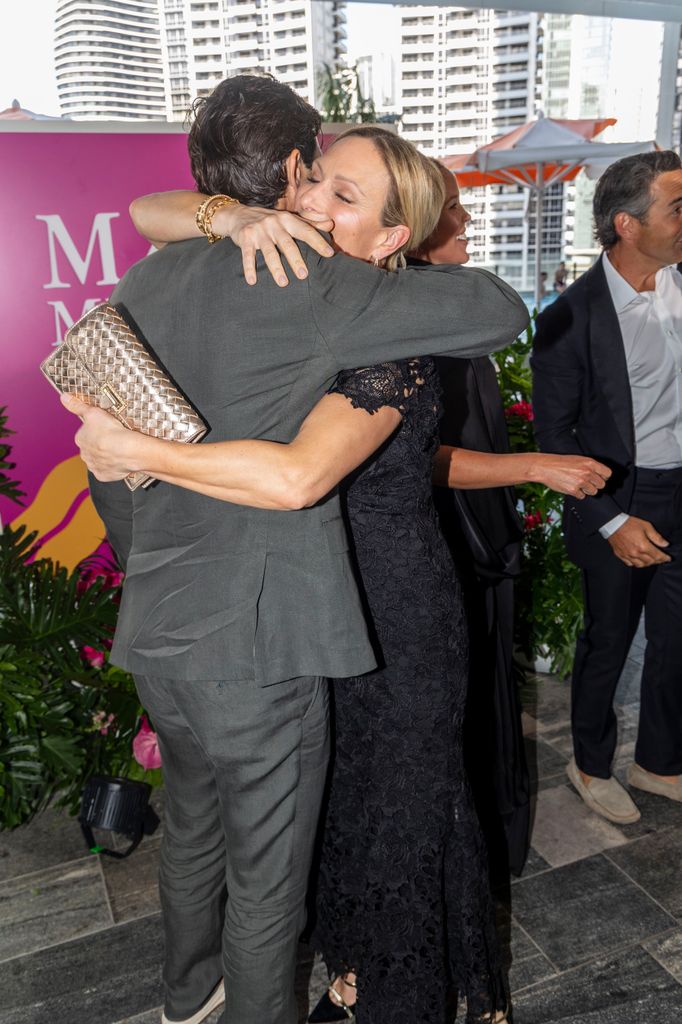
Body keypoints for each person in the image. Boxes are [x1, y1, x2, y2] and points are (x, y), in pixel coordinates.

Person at [69, 139, 607, 1024]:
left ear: (395, 237)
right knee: (339, 817)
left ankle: (397, 990)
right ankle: (355, 968)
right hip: (307, 607)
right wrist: (229, 213)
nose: (312, 199)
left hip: (389, 612)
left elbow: (301, 477)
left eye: (343, 193)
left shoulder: (383, 331)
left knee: (399, 815)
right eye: (313, 177)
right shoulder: (296, 293)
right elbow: (150, 214)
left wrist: (135, 452)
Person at [531, 150, 682, 826]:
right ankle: (590, 764)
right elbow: (555, 441)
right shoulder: (570, 317)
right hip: (618, 498)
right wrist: (612, 521)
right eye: (676, 208)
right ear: (627, 223)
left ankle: (658, 761)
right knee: (609, 641)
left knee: (677, 642)